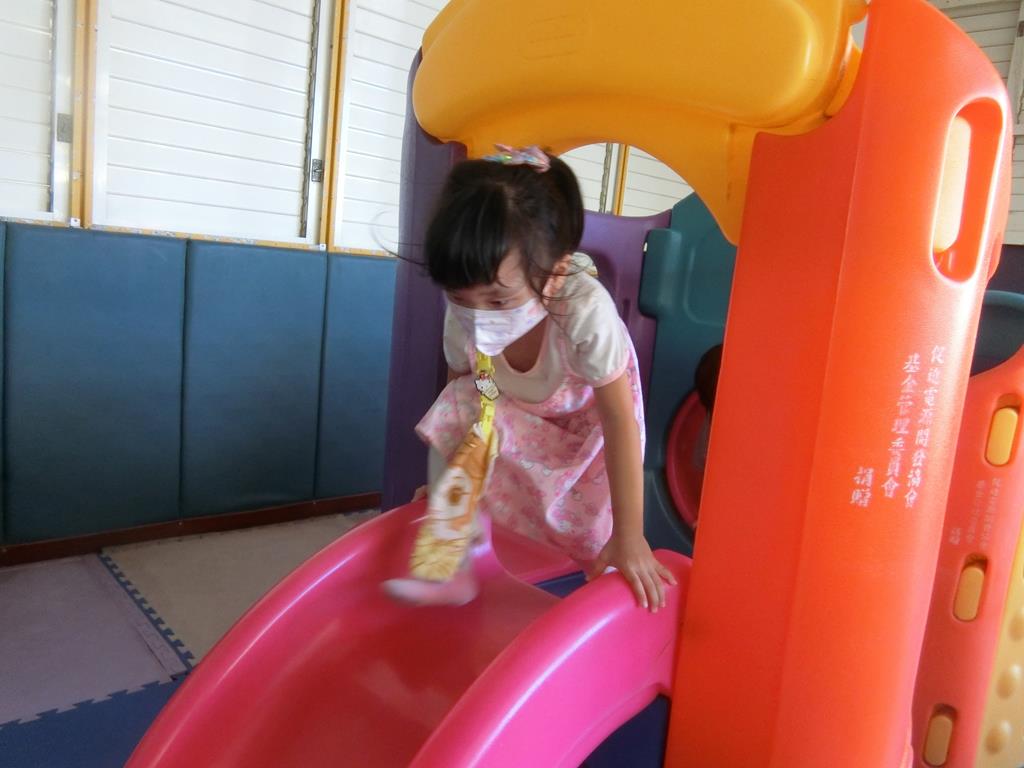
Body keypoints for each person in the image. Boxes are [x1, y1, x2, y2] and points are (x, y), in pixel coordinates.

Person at [389, 145, 675, 612]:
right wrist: (452, 487)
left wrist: (630, 536)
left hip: (588, 437)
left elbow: (620, 422)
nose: (477, 315)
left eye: (498, 301)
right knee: (460, 399)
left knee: (587, 537)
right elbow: (464, 398)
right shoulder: (465, 312)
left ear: (556, 275)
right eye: (460, 297)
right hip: (517, 414)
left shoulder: (584, 311)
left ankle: (583, 592)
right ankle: (451, 549)